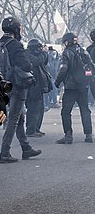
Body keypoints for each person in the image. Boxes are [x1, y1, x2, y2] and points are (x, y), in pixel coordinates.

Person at [0, 17, 42, 163]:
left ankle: (25, 147)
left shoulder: (0, 43)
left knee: (19, 117)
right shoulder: (15, 45)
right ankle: (4, 152)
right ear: (16, 29)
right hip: (16, 86)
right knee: (13, 119)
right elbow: (26, 65)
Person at [54, 33, 93, 144]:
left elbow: (63, 69)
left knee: (66, 111)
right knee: (85, 110)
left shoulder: (66, 53)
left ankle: (68, 135)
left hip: (71, 87)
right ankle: (88, 135)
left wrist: (57, 82)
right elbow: (91, 66)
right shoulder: (84, 51)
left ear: (66, 42)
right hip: (83, 86)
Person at [26, 38, 52, 137]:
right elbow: (37, 61)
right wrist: (44, 53)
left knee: (40, 109)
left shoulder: (38, 55)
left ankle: (36, 128)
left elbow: (43, 62)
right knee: (33, 109)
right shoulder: (27, 55)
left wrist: (44, 54)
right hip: (32, 87)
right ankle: (30, 130)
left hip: (38, 87)